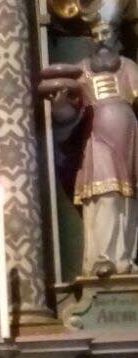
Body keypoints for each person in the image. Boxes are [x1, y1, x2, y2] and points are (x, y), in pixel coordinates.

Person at [39, 42, 138, 275]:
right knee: (105, 192)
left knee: (127, 197)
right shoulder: (81, 69)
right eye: (98, 33)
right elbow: (68, 116)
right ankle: (103, 257)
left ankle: (124, 259)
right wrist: (61, 105)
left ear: (118, 42)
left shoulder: (128, 66)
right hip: (96, 139)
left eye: (108, 32)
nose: (103, 39)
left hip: (128, 141)